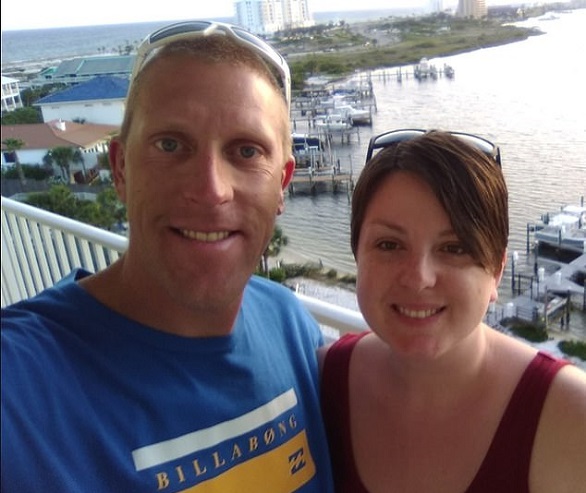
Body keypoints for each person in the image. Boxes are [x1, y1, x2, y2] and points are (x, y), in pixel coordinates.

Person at [1, 21, 334, 492]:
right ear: (121, 168)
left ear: (281, 184)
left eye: (245, 151)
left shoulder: (290, 326)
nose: (211, 189)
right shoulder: (21, 387)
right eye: (171, 145)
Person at [320, 129, 586, 493]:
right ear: (357, 256)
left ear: (496, 271)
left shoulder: (569, 415)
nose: (419, 278)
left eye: (454, 248)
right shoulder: (319, 382)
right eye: (389, 244)